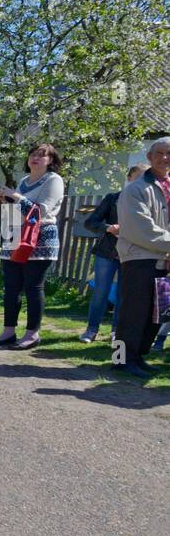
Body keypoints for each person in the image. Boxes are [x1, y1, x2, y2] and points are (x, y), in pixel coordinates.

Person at [0, 143, 65, 350]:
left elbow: (39, 212)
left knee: (33, 287)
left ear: (51, 160)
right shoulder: (23, 181)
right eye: (33, 154)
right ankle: (8, 331)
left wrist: (15, 196)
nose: (36, 158)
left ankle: (32, 333)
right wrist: (5, 199)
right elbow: (18, 211)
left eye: (42, 155)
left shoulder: (54, 180)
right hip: (15, 237)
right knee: (11, 288)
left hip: (40, 240)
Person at [112, 138, 170, 378]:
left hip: (163, 257)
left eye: (169, 153)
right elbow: (140, 228)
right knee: (132, 313)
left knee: (155, 313)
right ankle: (120, 360)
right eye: (159, 153)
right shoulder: (135, 189)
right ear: (149, 156)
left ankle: (137, 357)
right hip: (139, 257)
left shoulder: (167, 185)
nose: (164, 158)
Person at [80, 165, 146, 342]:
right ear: (129, 178)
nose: (142, 182)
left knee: (124, 295)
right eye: (138, 177)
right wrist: (108, 228)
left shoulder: (148, 202)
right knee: (101, 292)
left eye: (145, 178)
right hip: (107, 253)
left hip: (132, 255)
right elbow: (90, 223)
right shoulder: (113, 198)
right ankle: (91, 330)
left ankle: (116, 332)